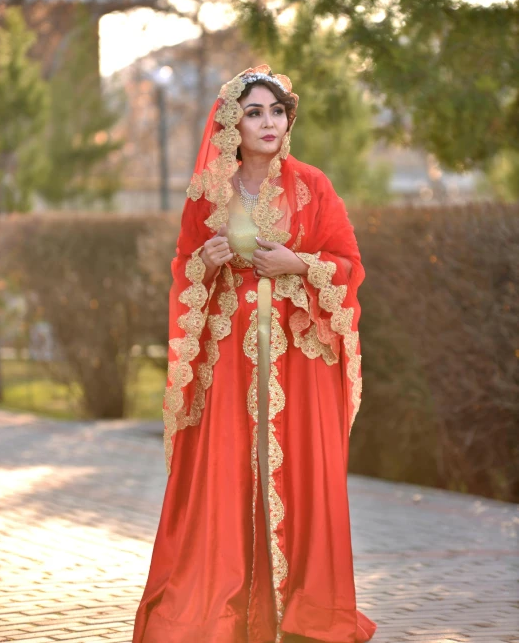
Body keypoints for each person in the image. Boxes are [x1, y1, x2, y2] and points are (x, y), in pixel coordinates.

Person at [132, 64, 377, 643]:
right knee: (226, 474)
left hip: (300, 358)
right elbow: (185, 269)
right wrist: (208, 262)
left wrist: (299, 264)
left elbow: (350, 265)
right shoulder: (209, 193)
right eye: (254, 112)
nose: (269, 123)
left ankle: (306, 612)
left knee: (300, 473)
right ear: (231, 124)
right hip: (230, 359)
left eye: (276, 111)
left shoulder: (312, 185)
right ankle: (221, 611)